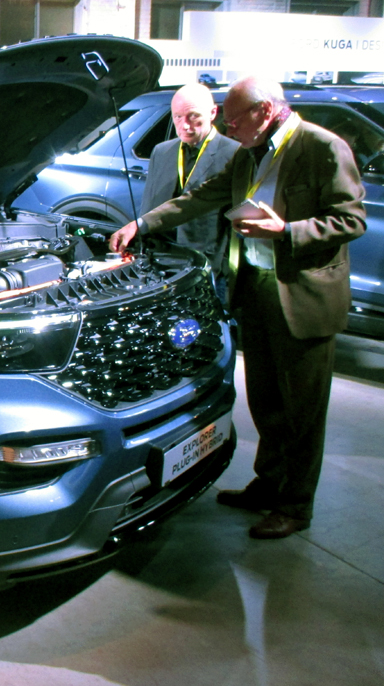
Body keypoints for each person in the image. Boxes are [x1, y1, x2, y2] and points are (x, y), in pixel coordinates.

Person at [109, 76, 367, 539]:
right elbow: (200, 197)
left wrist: (286, 231)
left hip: (303, 297)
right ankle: (268, 485)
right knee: (266, 401)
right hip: (259, 290)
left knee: (303, 412)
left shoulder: (322, 147)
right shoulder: (249, 153)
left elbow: (350, 219)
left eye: (232, 119)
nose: (227, 128)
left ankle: (295, 506)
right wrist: (141, 224)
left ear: (264, 111)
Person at [141, 83, 240, 291]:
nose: (185, 125)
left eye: (193, 116)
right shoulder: (161, 151)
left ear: (213, 113)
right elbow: (149, 205)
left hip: (208, 267)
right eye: (177, 117)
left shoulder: (235, 153)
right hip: (162, 265)